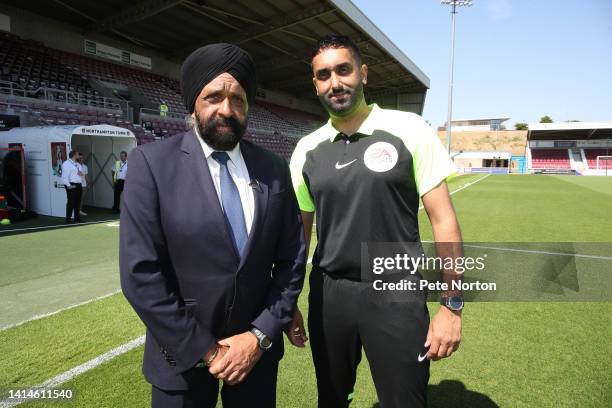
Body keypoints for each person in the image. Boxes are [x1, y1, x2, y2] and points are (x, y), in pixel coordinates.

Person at [120, 43, 307, 408]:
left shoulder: (273, 168)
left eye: (238, 99)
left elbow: (292, 260)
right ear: (193, 103)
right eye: (214, 97)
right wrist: (209, 351)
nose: (227, 109)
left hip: (256, 356)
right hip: (180, 358)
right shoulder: (152, 164)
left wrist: (258, 336)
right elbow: (140, 274)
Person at [288, 34, 464, 408]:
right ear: (315, 84)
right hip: (330, 294)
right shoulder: (306, 149)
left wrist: (451, 304)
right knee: (332, 400)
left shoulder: (410, 129)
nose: (334, 82)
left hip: (397, 291)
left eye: (343, 70)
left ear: (363, 73)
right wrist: (288, 303)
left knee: (405, 401)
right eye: (323, 75)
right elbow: (298, 238)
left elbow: (443, 218)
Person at [61, 150, 83, 224]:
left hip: (78, 184)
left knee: (78, 201)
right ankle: (68, 219)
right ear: (74, 155)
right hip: (71, 184)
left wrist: (81, 174)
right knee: (71, 202)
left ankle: (77, 218)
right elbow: (64, 176)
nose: (79, 156)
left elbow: (81, 174)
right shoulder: (66, 164)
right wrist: (69, 185)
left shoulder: (77, 164)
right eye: (77, 154)